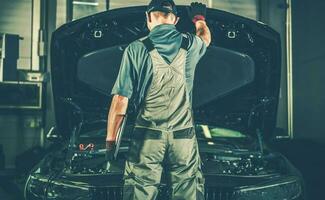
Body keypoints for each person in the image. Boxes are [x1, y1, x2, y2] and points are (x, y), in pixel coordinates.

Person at [106, 0, 211, 199]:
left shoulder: (136, 49)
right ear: (176, 20)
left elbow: (120, 100)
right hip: (183, 138)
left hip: (147, 138)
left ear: (148, 18)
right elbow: (205, 38)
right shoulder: (190, 44)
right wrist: (199, 19)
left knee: (140, 190)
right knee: (187, 191)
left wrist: (111, 143)